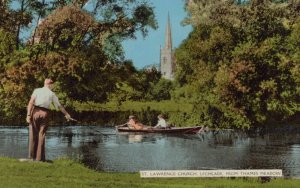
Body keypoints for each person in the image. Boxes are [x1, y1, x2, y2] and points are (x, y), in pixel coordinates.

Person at [26, 78, 72, 162]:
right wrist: (66, 114)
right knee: (42, 134)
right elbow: (59, 106)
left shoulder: (37, 90)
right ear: (50, 85)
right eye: (52, 85)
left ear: (44, 83)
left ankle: (31, 157)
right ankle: (40, 159)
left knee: (33, 134)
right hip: (45, 114)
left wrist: (28, 114)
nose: (53, 86)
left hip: (35, 112)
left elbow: (31, 102)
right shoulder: (52, 94)